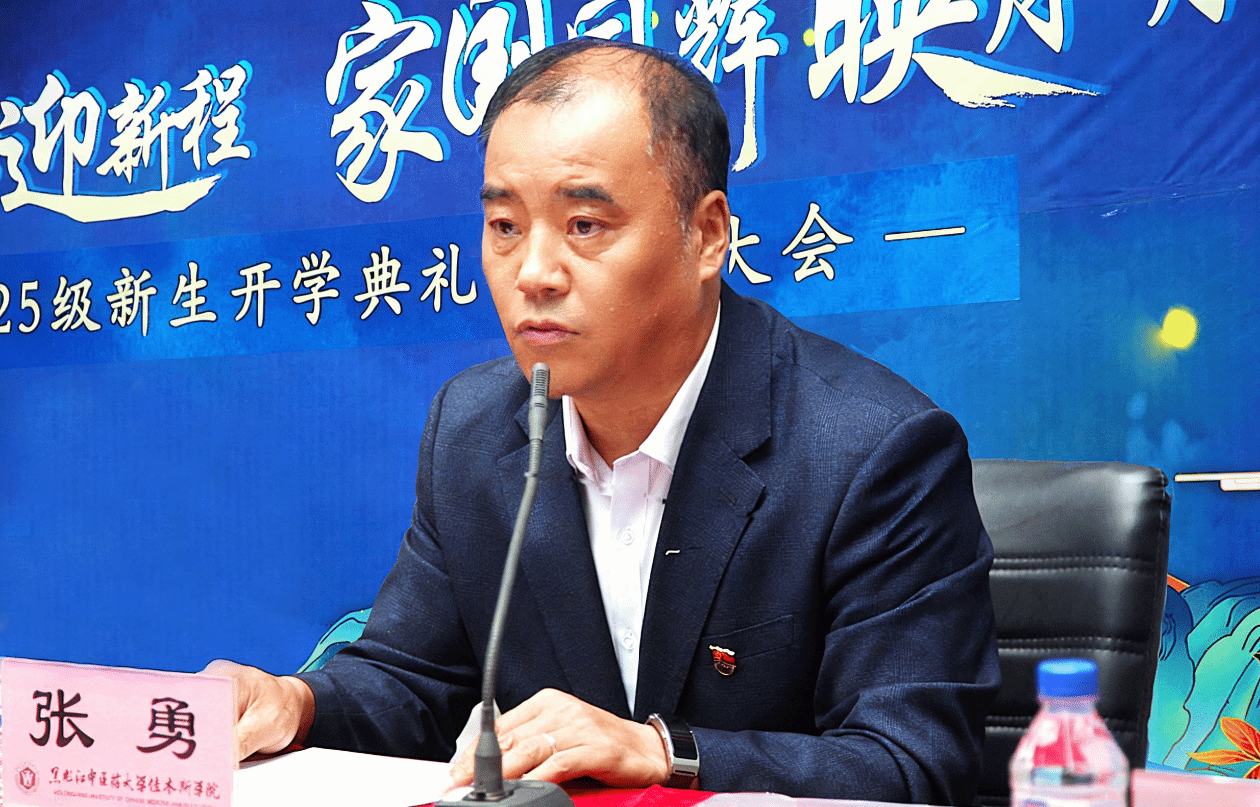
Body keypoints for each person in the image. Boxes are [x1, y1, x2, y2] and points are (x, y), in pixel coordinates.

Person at [206, 39, 1000, 804]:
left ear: (707, 235)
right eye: (505, 226)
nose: (534, 273)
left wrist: (660, 751)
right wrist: (294, 701)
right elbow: (414, 680)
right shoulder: (473, 430)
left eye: (584, 225)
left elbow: (913, 765)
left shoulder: (868, 450)